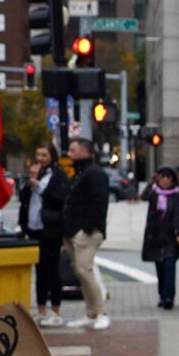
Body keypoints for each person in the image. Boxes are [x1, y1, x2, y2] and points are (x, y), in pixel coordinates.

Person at [61, 135, 112, 328]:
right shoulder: (82, 172)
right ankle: (91, 313)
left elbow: (99, 202)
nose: (69, 153)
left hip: (86, 231)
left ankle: (101, 312)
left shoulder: (94, 173)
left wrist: (88, 228)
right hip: (75, 230)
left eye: (73, 150)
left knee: (84, 270)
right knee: (82, 272)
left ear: (84, 151)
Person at [23, 143, 65, 326]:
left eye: (44, 155)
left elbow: (58, 198)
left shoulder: (58, 175)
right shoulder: (37, 173)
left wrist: (38, 185)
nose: (40, 158)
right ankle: (41, 309)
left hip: (51, 228)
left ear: (52, 156)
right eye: (38, 154)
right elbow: (24, 197)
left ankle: (56, 310)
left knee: (52, 269)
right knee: (39, 270)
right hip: (34, 227)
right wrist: (31, 180)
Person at [142, 167, 179, 311]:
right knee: (160, 267)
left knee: (169, 265)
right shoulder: (154, 192)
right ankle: (162, 295)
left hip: (170, 236)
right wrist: (151, 182)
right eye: (163, 177)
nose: (166, 180)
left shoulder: (178, 194)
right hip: (155, 235)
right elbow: (143, 197)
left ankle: (169, 297)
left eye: (169, 177)